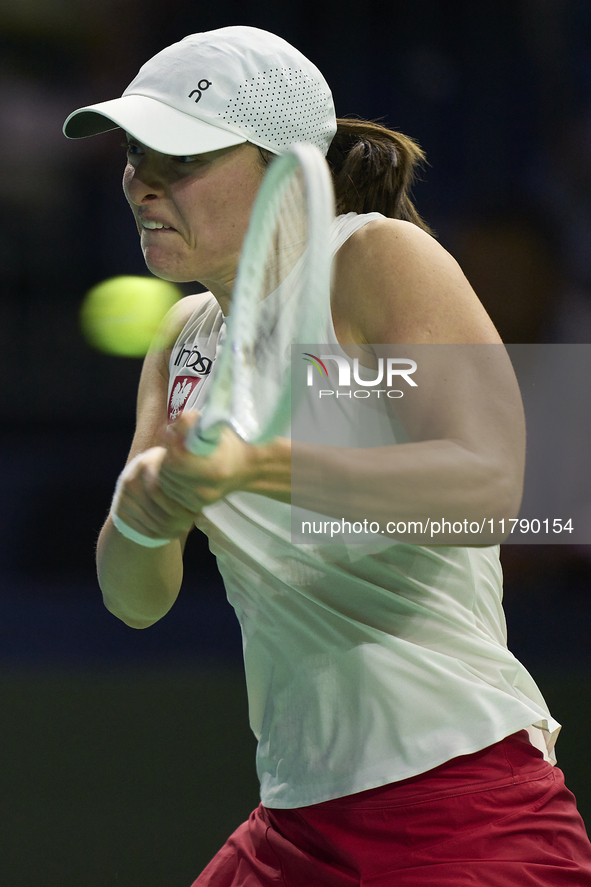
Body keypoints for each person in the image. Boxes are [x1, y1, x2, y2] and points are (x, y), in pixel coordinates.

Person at [63, 26, 591, 886]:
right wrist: (145, 513)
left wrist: (259, 467)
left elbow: (488, 483)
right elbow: (135, 602)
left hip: (460, 807)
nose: (143, 183)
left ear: (285, 172)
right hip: (295, 822)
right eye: (134, 153)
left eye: (182, 157)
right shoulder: (184, 337)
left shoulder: (373, 258)